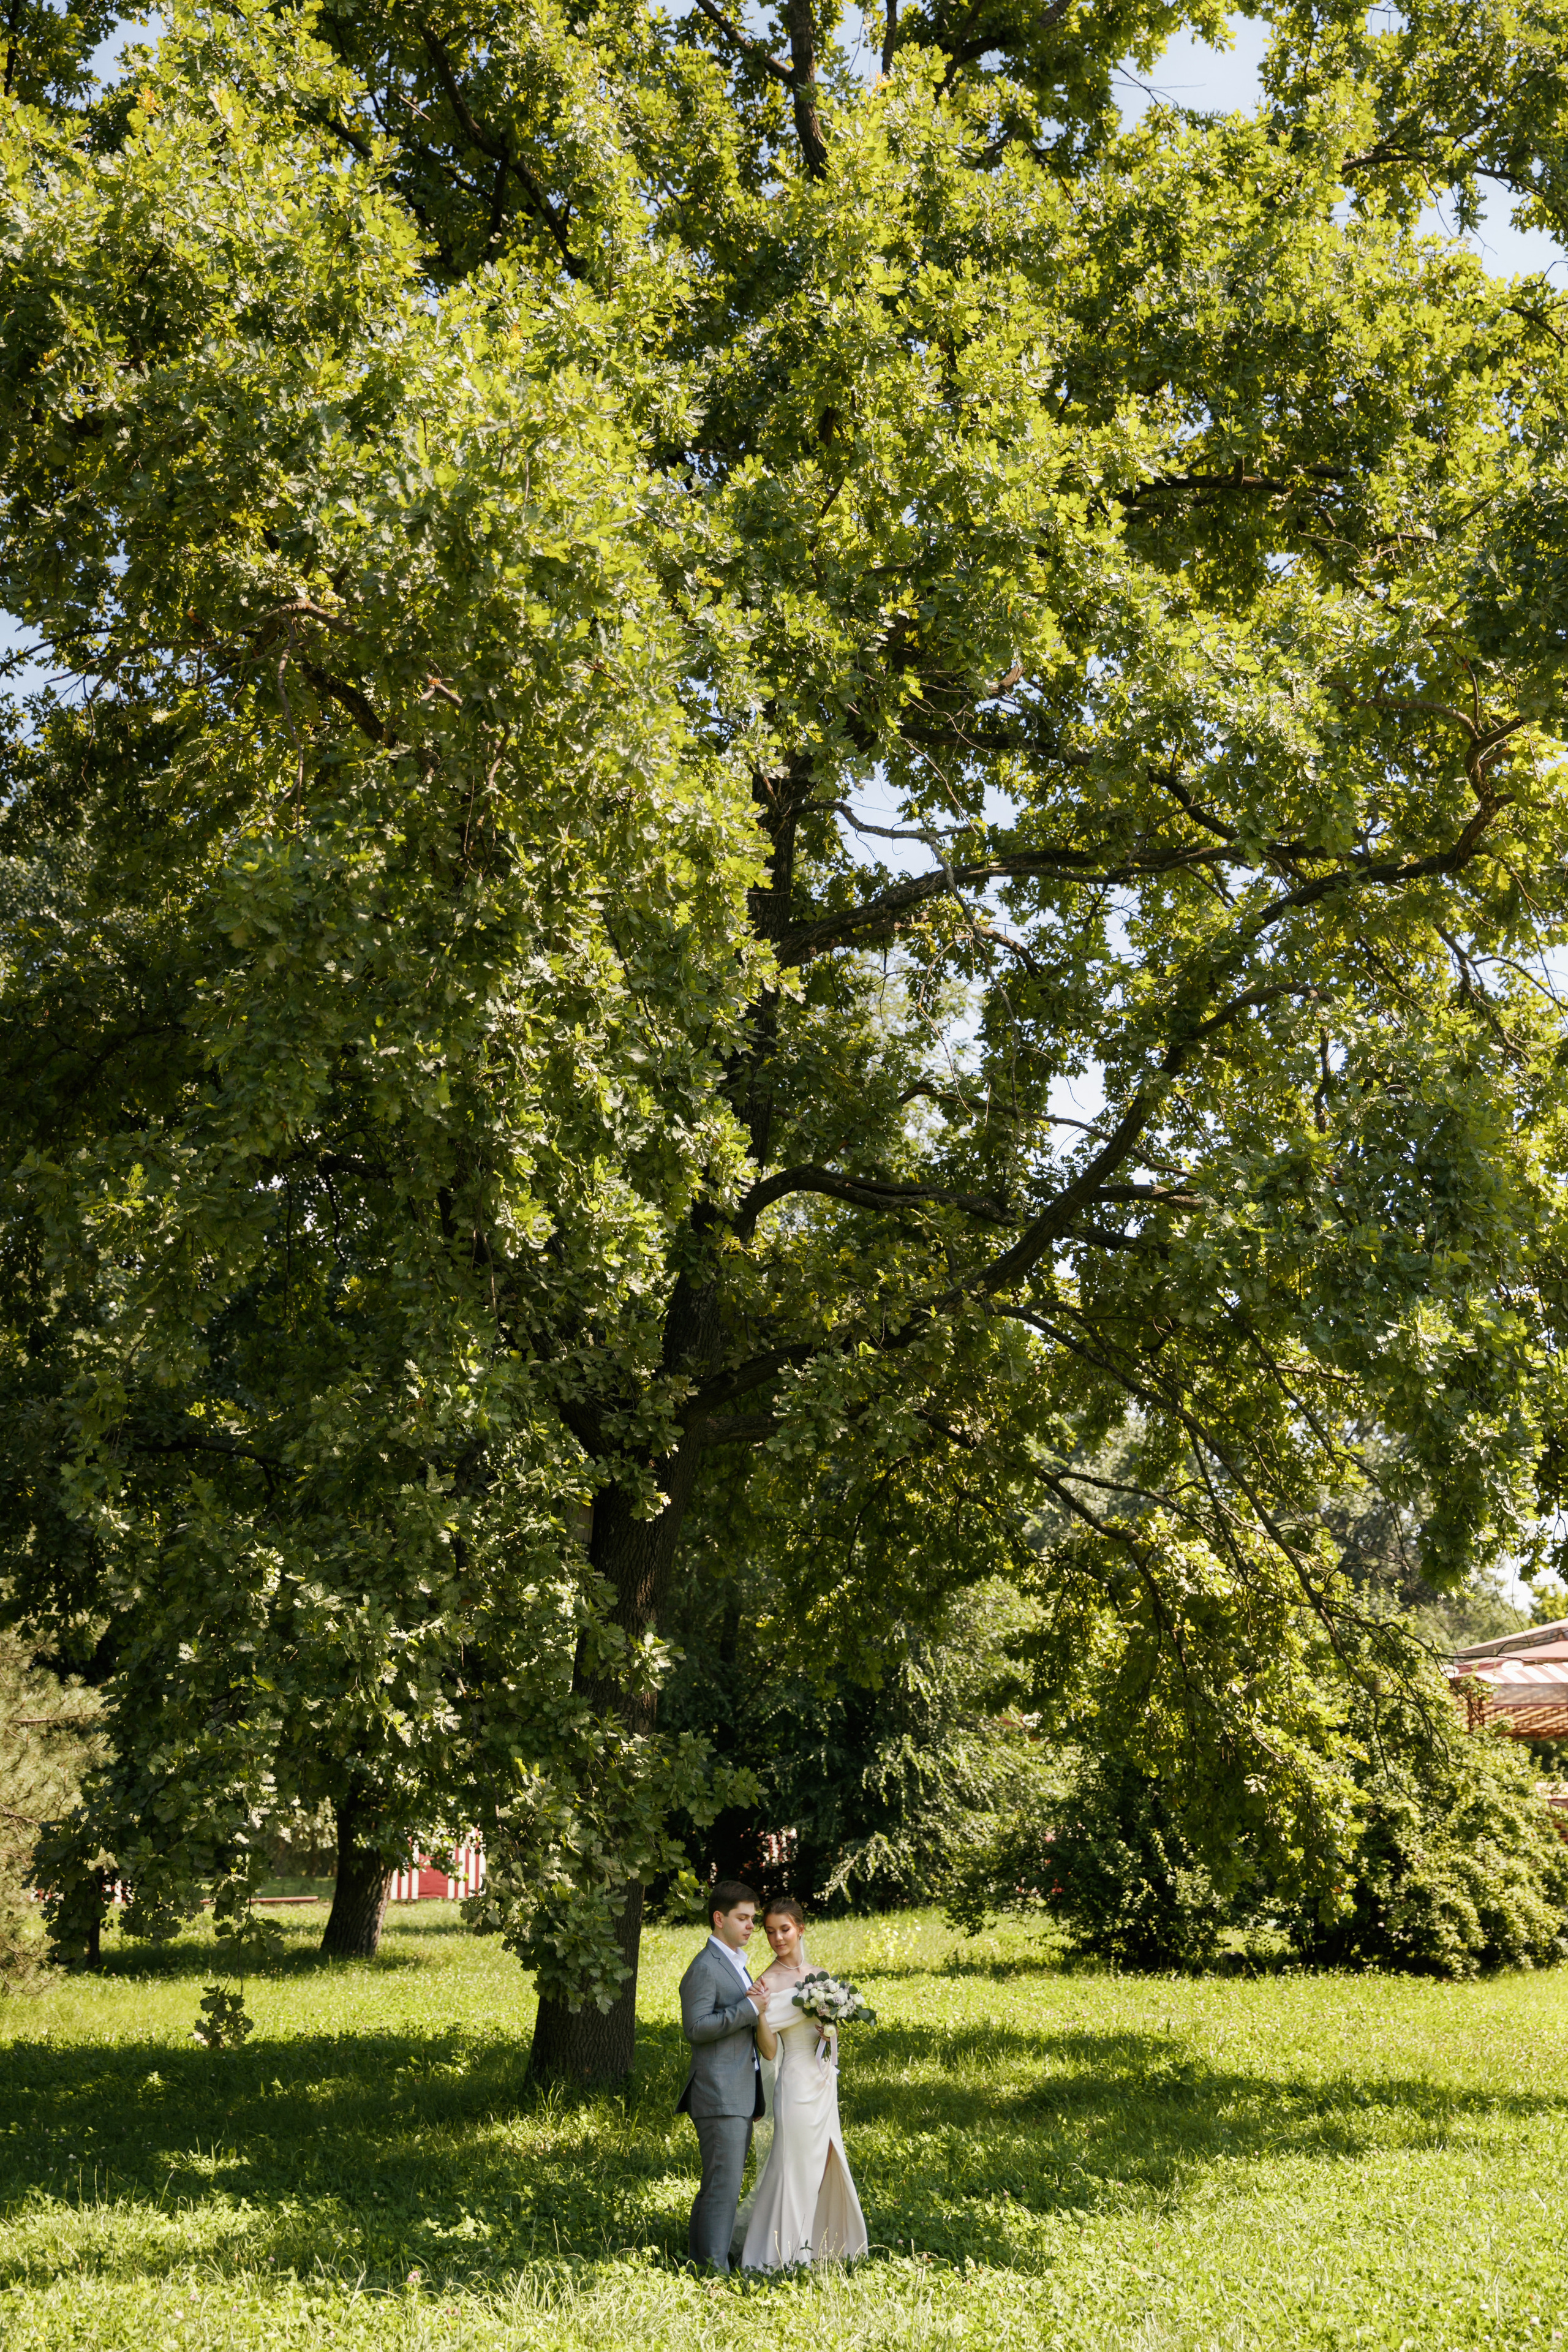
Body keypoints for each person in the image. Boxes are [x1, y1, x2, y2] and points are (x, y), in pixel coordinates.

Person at [738, 1894, 868, 2270]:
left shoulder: (820, 1975)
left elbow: (830, 2032)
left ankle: (829, 2247)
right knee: (792, 2166)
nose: (778, 1938)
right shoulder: (767, 1981)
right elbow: (766, 2050)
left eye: (784, 1929)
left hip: (823, 2081)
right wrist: (761, 2014)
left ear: (800, 1929)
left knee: (828, 2161)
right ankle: (778, 2257)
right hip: (794, 2083)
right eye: (770, 1932)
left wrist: (828, 2032)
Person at [675, 1880, 770, 2271]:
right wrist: (749, 2011)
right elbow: (695, 2028)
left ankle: (703, 2262)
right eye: (743, 1918)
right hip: (718, 2092)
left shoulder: (735, 1963)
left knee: (719, 2186)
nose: (751, 1926)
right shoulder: (704, 1967)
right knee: (723, 2187)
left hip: (738, 2091)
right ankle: (713, 2272)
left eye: (753, 1918)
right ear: (719, 1918)